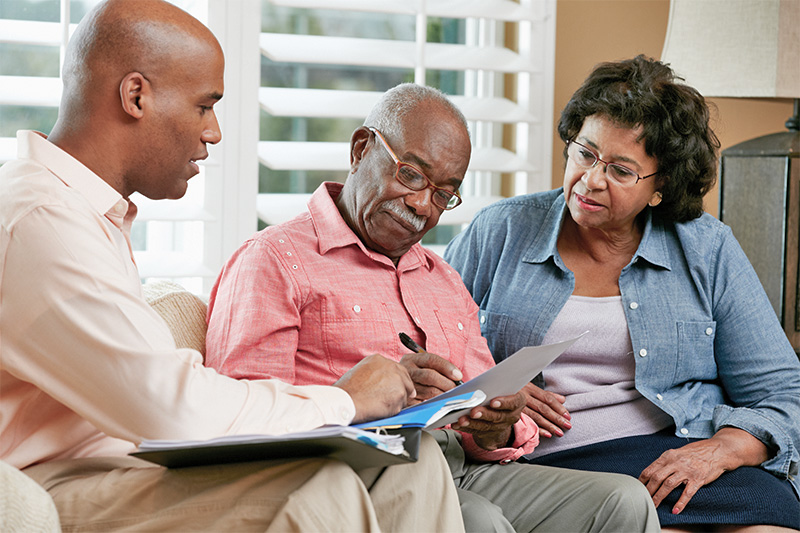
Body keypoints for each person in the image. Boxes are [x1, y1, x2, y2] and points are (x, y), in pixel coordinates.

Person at [0, 1, 467, 531]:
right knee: (325, 488)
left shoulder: (88, 213)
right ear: (136, 96)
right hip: (52, 483)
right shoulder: (38, 217)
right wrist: (341, 400)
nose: (215, 132)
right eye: (205, 106)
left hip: (123, 466)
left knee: (412, 461)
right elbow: (169, 408)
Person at [205, 82, 661, 533]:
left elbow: (495, 413)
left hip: (461, 464)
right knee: (479, 521)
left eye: (443, 193)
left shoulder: (442, 278)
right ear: (361, 149)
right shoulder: (273, 260)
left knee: (623, 500)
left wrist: (497, 423)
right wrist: (367, 398)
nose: (422, 205)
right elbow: (240, 419)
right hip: (360, 473)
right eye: (410, 174)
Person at [444, 55, 800, 531]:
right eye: (585, 153)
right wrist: (491, 389)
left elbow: (781, 393)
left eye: (621, 170)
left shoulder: (706, 247)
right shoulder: (502, 229)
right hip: (540, 464)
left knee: (770, 525)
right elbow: (425, 347)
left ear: (661, 186)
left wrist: (723, 449)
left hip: (674, 454)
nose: (591, 179)